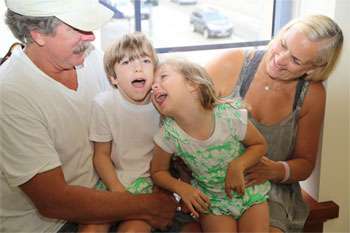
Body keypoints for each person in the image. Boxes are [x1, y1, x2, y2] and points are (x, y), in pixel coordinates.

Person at [0, 1, 177, 233]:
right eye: (76, 28)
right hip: (52, 223)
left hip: (108, 191)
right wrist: (149, 205)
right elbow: (53, 202)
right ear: (38, 35)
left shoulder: (90, 58)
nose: (91, 37)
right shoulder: (11, 93)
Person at [205, 14, 343, 233]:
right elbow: (183, 119)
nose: (280, 59)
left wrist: (274, 170)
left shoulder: (312, 95)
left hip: (270, 191)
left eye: (296, 60)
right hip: (212, 184)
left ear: (315, 67)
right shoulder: (231, 63)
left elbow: (305, 163)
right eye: (283, 44)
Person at [150, 58, 271, 233]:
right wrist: (182, 188)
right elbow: (157, 171)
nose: (154, 87)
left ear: (192, 84)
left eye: (163, 77)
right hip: (212, 203)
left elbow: (259, 145)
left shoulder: (229, 116)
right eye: (152, 85)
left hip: (249, 193)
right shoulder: (168, 135)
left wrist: (237, 165)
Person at [81, 32, 159, 233]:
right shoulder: (104, 104)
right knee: (91, 228)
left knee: (133, 230)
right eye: (126, 62)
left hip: (148, 185)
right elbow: (101, 155)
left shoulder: (163, 105)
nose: (138, 67)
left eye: (145, 60)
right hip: (112, 181)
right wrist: (117, 190)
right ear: (113, 78)